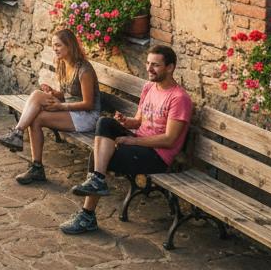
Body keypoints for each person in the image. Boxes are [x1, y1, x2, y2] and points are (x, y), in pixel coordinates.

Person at [59, 44, 192, 235]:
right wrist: (126, 122)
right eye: (147, 63)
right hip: (139, 143)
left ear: (170, 67)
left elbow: (170, 140)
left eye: (155, 65)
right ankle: (97, 181)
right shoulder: (149, 88)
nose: (149, 68)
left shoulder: (179, 98)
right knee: (105, 123)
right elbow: (139, 121)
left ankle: (87, 215)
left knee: (98, 159)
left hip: (157, 156)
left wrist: (133, 141)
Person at [0, 28, 100, 184]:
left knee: (36, 102)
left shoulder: (84, 70)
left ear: (69, 46)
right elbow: (67, 94)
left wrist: (61, 107)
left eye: (58, 45)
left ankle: (17, 133)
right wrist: (53, 93)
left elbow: (88, 104)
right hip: (70, 109)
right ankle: (36, 167)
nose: (55, 49)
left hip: (87, 116)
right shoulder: (63, 64)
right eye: (53, 45)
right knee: (36, 112)